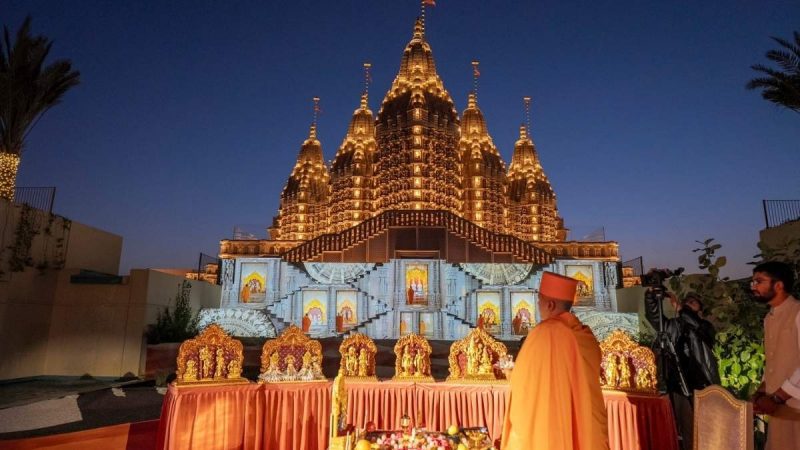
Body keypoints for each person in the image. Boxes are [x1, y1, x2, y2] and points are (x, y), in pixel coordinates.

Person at [501, 272, 608, 450]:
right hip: (586, 426)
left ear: (549, 304)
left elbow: (525, 385)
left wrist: (511, 374)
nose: (538, 306)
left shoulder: (544, 333)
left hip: (552, 428)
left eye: (539, 301)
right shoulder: (586, 336)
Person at [644, 289, 719, 450]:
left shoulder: (705, 326)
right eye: (686, 302)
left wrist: (680, 308)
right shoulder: (673, 326)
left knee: (703, 430)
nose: (687, 304)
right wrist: (650, 296)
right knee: (685, 431)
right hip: (678, 385)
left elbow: (696, 327)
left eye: (692, 302)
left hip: (701, 385)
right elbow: (654, 318)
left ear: (700, 309)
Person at [749, 261, 800, 449]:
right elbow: (774, 360)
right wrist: (763, 390)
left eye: (759, 281)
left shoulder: (798, 312)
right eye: (753, 282)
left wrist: (778, 397)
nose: (754, 286)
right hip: (780, 410)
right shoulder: (769, 318)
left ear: (779, 285)